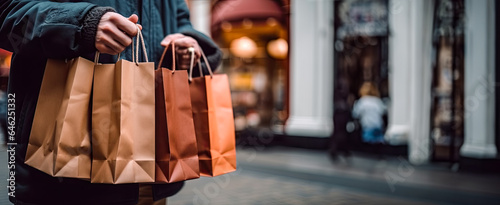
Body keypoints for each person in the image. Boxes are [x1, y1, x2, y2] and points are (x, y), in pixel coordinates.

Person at [0, 0, 222, 204]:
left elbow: (179, 21)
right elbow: (7, 12)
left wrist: (187, 42)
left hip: (153, 172)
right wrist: (82, 24)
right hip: (62, 174)